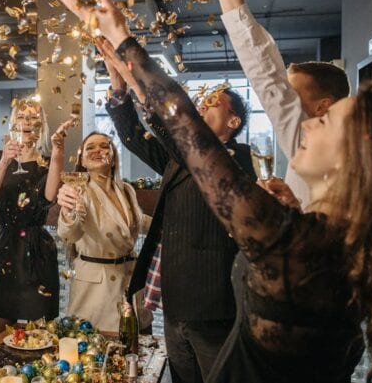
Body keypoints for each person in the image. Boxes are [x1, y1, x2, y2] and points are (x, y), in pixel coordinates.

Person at [56, 0, 372, 382]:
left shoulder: (296, 246)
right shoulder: (331, 240)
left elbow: (184, 127)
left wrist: (125, 41)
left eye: (327, 120)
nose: (309, 123)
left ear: (354, 161)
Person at [94, 32, 256, 381]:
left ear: (233, 123)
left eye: (212, 102)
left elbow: (180, 141)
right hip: (175, 299)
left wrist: (142, 86)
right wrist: (119, 87)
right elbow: (135, 138)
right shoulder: (179, 159)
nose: (200, 106)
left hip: (212, 302)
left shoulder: (238, 159)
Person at [216, 0, 349, 207]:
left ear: (322, 106)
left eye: (291, 97)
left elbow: (265, 74)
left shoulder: (319, 144)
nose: (282, 103)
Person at [0, 98, 73, 325]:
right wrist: (5, 161)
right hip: (5, 247)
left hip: (37, 249)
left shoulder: (46, 161)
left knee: (40, 325)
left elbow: (49, 197)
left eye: (34, 117)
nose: (27, 121)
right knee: (0, 321)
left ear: (41, 125)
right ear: (13, 124)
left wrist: (58, 152)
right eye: (21, 116)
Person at [56, 132, 152, 333]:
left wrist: (173, 225)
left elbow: (140, 221)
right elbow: (70, 234)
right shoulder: (78, 189)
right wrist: (67, 210)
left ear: (114, 156)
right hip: (96, 291)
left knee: (136, 351)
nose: (98, 150)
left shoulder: (126, 189)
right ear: (82, 159)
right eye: (90, 147)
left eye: (104, 146)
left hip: (129, 281)